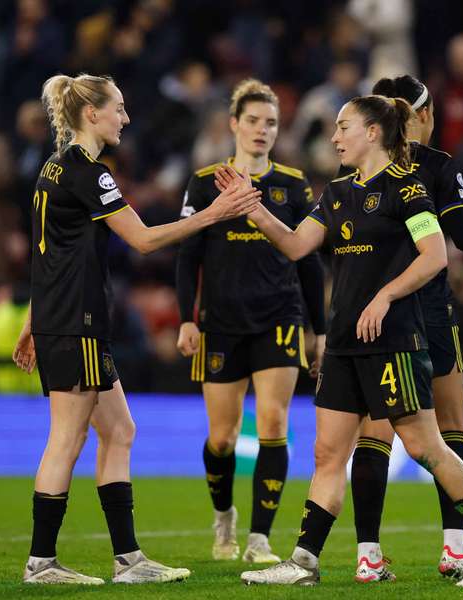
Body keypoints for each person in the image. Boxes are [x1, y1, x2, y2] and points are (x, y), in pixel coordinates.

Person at [229, 94, 463, 588]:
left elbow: (433, 257)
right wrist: (254, 210)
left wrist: (385, 296)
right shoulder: (336, 193)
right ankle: (304, 561)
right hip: (343, 342)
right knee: (327, 454)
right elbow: (298, 244)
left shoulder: (408, 190)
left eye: (343, 127)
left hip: (393, 341)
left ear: (374, 133)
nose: (335, 137)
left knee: (426, 447)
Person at [11, 73, 261, 585]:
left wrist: (32, 321)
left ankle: (128, 561)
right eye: (118, 109)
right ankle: (40, 563)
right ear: (91, 114)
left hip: (65, 320)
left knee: (120, 431)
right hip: (76, 322)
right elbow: (144, 240)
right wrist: (214, 213)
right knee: (67, 436)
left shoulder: (52, 170)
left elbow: (46, 256)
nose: (125, 118)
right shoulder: (88, 172)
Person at [344, 75, 463, 582]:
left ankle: (368, 551)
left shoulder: (360, 177)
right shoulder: (436, 167)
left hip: (375, 314)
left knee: (376, 433)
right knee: (448, 429)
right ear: (425, 115)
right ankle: (457, 546)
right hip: (428, 313)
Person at [175, 79, 326, 564]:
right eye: (254, 121)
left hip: (279, 317)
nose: (263, 130)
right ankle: (225, 520)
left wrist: (318, 328)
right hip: (220, 321)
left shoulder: (292, 184)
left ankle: (260, 537)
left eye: (272, 123)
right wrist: (186, 319)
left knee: (274, 423)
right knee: (222, 436)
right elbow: (187, 257)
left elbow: (309, 262)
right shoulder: (204, 182)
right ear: (234, 125)